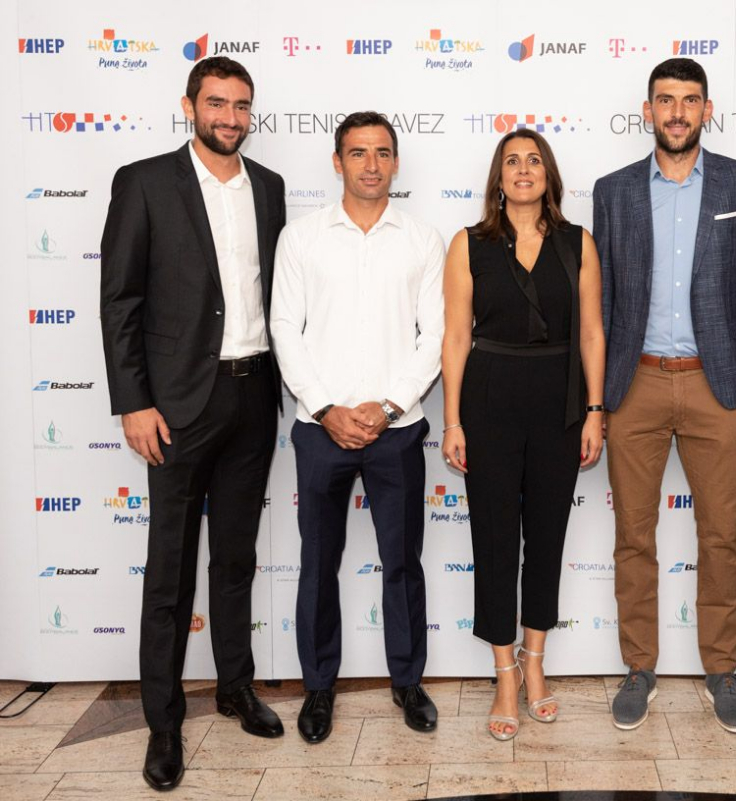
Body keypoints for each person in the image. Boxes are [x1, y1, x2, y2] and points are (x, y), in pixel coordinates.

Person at [100, 56, 286, 791]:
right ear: (189, 106)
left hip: (253, 395)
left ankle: (235, 686)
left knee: (235, 558)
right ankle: (164, 722)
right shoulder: (145, 181)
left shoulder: (268, 186)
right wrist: (133, 401)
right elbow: (121, 300)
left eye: (241, 106)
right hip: (177, 405)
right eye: (217, 104)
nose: (230, 118)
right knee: (170, 571)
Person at [592, 57, 736, 733]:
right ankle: (640, 667)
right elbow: (602, 299)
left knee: (721, 535)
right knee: (633, 537)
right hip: (633, 381)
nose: (677, 112)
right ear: (648, 111)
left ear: (707, 110)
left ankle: (721, 669)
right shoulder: (613, 191)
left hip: (713, 381)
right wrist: (599, 397)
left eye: (690, 100)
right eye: (665, 100)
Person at [270, 111, 445, 744]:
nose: (371, 164)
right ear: (337, 161)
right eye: (357, 152)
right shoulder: (302, 237)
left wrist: (388, 407)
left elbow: (436, 334)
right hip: (320, 431)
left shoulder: (422, 239)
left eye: (382, 152)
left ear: (396, 162)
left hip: (397, 431)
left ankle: (407, 681)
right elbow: (284, 329)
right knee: (318, 564)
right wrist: (326, 408)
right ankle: (319, 687)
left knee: (403, 563)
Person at [441, 129, 605, 740]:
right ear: (499, 178)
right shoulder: (469, 244)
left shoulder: (578, 242)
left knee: (546, 536)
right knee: (493, 539)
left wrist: (595, 410)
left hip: (560, 402)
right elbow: (456, 337)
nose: (523, 169)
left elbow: (592, 333)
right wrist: (452, 420)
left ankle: (535, 663)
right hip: (489, 399)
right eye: (512, 161)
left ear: (549, 174)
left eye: (534, 160)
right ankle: (504, 674)